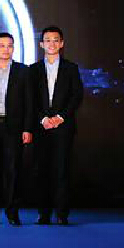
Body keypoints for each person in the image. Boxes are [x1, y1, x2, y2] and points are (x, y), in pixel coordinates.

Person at [29, 26, 84, 225]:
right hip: (41, 127)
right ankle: (43, 214)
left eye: (55, 40)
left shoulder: (71, 68)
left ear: (61, 43)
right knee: (41, 171)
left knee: (61, 171)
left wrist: (61, 117)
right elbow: (30, 99)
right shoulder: (33, 70)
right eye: (47, 40)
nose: (51, 44)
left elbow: (76, 96)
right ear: (41, 44)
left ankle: (61, 214)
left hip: (63, 127)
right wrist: (43, 119)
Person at [0, 32, 33, 226]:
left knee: (13, 170)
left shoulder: (23, 71)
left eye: (9, 45)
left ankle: (12, 213)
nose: (6, 49)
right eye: (2, 45)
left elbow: (29, 102)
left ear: (13, 48)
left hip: (15, 127)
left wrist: (27, 128)